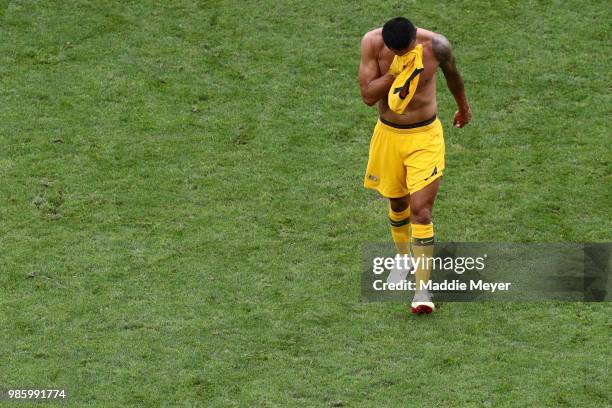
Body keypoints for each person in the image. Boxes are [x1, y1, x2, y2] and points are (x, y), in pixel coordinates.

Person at [358, 17, 472, 314]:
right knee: (398, 204)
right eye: (393, 53)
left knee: (420, 211)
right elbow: (368, 96)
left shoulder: (437, 45)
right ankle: (402, 258)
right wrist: (395, 72)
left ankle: (422, 290)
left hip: (425, 137)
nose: (398, 55)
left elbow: (453, 77)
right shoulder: (371, 43)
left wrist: (464, 107)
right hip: (389, 136)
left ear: (414, 40)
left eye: (403, 52)